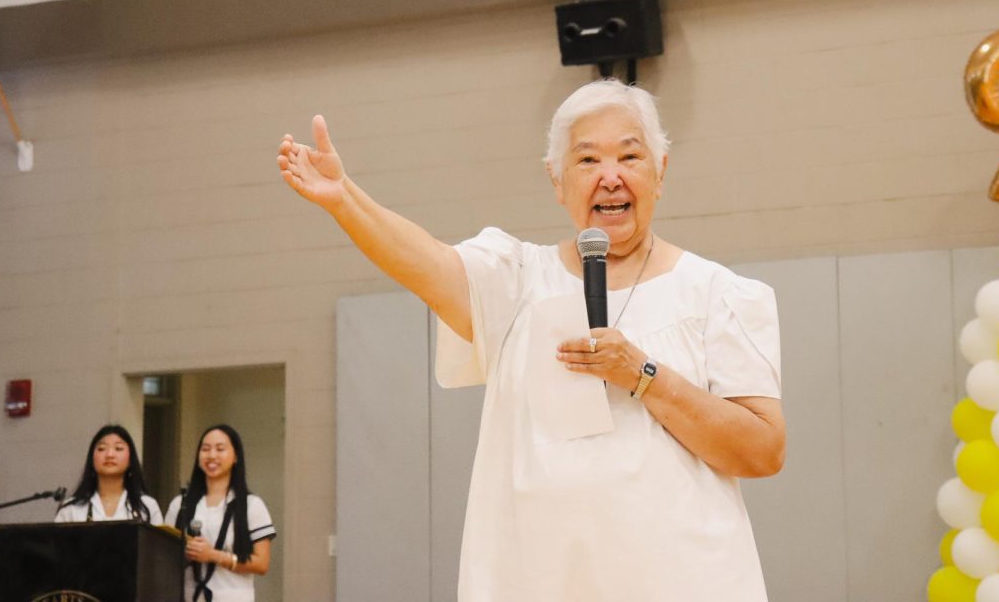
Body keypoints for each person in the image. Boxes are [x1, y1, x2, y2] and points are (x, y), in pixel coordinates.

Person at [277, 79, 786, 602]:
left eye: (629, 156)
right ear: (556, 179)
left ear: (660, 172)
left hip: (685, 582)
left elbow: (764, 449)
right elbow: (425, 262)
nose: (610, 177)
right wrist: (345, 200)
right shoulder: (515, 279)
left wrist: (643, 375)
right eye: (587, 160)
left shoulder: (717, 294)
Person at [164, 424, 275, 602]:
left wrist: (213, 555)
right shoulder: (180, 505)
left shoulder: (251, 505)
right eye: (205, 449)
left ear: (236, 456)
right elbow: (163, 556)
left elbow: (262, 564)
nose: (212, 455)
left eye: (220, 449)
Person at [55, 424, 163, 523]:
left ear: (130, 460)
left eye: (118, 448)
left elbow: (159, 544)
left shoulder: (147, 506)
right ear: (92, 459)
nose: (110, 454)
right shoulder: (71, 508)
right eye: (102, 449)